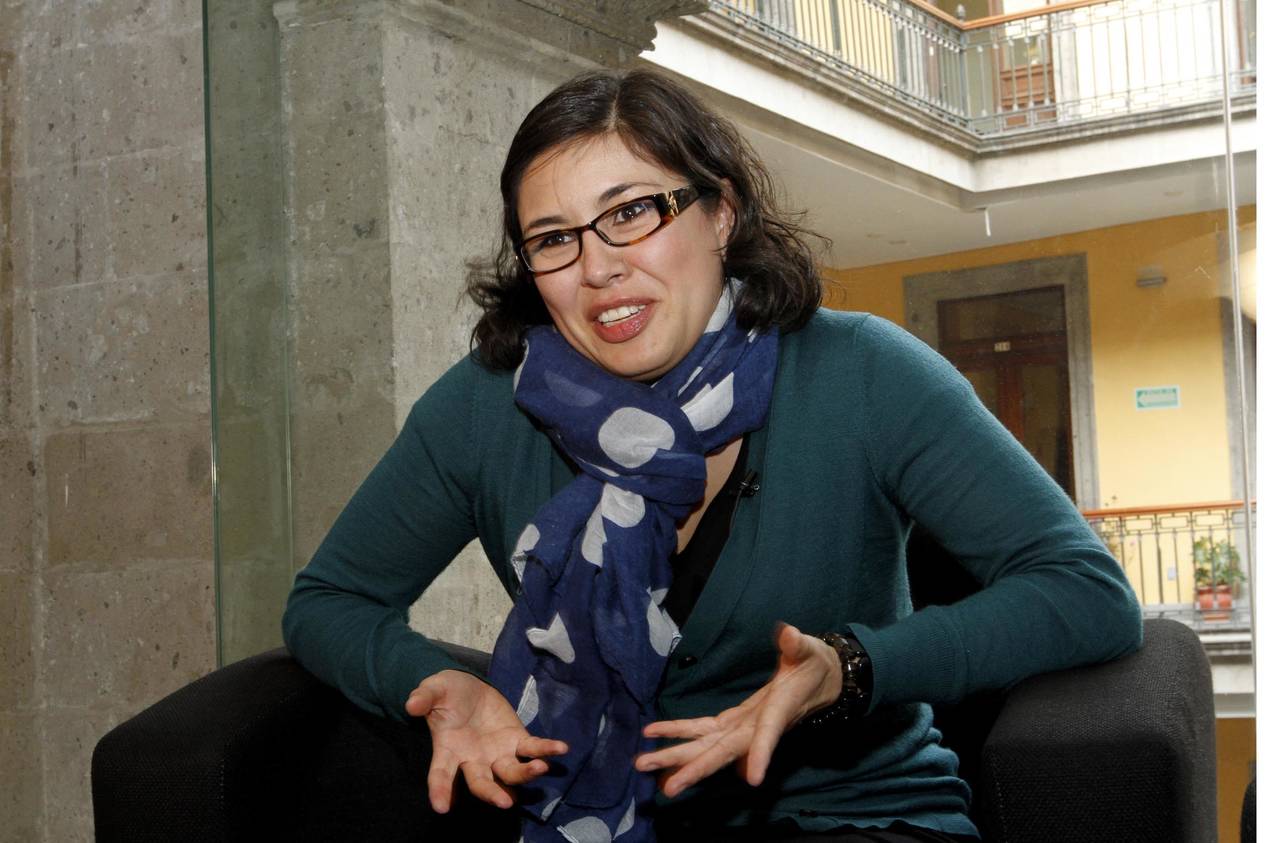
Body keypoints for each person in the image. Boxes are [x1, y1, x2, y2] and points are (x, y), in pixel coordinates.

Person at [282, 68, 1143, 842]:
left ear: (720, 212)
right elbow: (330, 600)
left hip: (854, 814)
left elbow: (1085, 591)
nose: (597, 267)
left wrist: (850, 667)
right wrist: (436, 679)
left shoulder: (864, 374)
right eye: (553, 238)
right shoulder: (484, 406)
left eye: (631, 213)